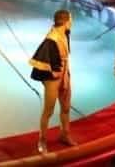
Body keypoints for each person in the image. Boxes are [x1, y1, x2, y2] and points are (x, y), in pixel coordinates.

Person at [29, 9, 76, 153]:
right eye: (71, 20)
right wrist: (50, 78)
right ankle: (42, 140)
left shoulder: (65, 33)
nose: (72, 23)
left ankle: (64, 134)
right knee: (48, 111)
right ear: (65, 21)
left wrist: (65, 74)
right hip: (53, 78)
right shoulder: (51, 39)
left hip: (65, 74)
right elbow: (40, 61)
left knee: (66, 107)